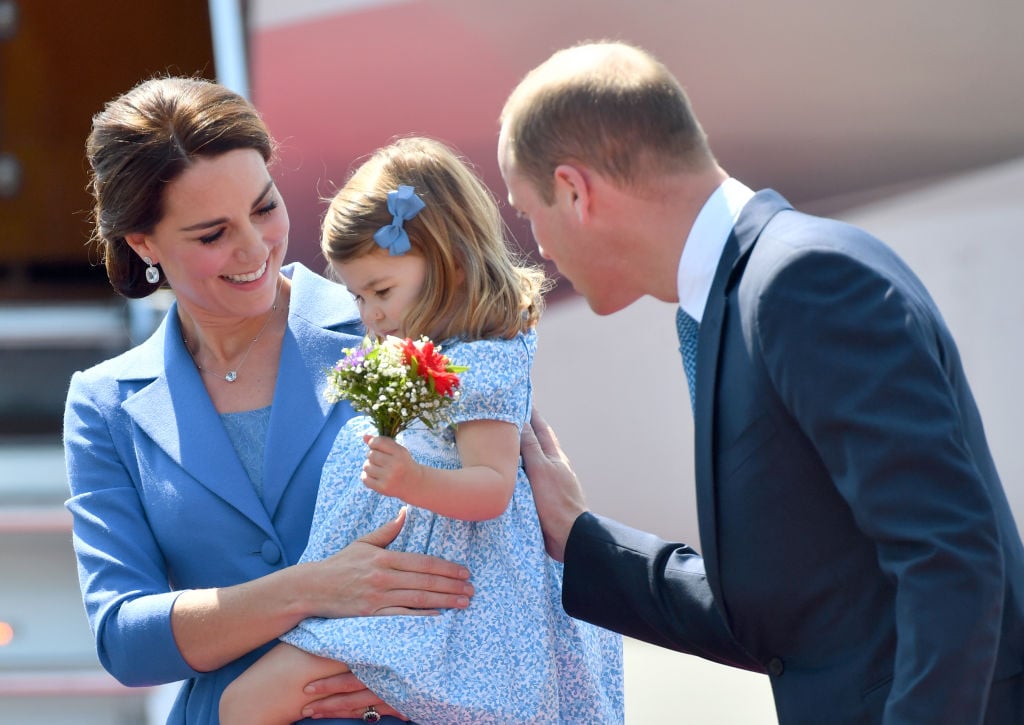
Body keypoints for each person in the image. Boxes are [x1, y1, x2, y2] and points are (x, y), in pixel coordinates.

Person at [498, 40, 1024, 724]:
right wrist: (578, 537)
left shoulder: (803, 284)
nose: (538, 246)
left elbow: (949, 556)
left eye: (528, 211)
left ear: (575, 189)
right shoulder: (744, 299)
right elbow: (778, 616)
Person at [64, 77, 476, 725]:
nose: (255, 249)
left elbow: (495, 538)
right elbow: (124, 636)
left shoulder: (399, 327)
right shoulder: (104, 403)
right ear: (144, 244)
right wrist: (308, 591)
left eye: (264, 207)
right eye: (212, 234)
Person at [219, 136, 624, 725]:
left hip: (452, 606)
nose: (370, 315)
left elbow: (491, 488)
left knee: (247, 703)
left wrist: (410, 478)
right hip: (403, 588)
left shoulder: (482, 361)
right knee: (244, 704)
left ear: (449, 265)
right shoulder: (417, 348)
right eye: (359, 296)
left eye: (381, 291)